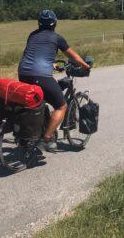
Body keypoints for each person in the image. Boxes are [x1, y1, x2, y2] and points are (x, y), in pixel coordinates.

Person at [18, 9, 91, 152]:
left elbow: (36, 54)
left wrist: (52, 65)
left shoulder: (32, 35)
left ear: (39, 23)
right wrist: (86, 65)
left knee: (39, 101)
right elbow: (73, 56)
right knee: (61, 106)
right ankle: (45, 139)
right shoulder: (57, 38)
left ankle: (36, 128)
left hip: (23, 74)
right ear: (54, 23)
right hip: (40, 76)